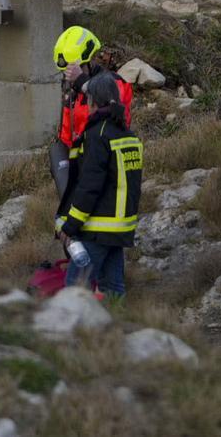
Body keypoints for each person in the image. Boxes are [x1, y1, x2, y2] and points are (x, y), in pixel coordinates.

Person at [56, 73, 143, 297]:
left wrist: (71, 225)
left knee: (75, 288)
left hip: (98, 227)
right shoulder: (127, 133)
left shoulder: (97, 135)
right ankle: (114, 329)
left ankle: (75, 331)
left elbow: (89, 186)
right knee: (113, 288)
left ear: (94, 100)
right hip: (121, 228)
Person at [49, 25, 133, 199]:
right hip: (82, 169)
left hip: (107, 166)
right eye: (65, 72)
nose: (68, 76)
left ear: (90, 61)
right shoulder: (72, 92)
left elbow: (116, 116)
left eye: (74, 69)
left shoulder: (114, 83)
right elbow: (66, 135)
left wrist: (83, 82)